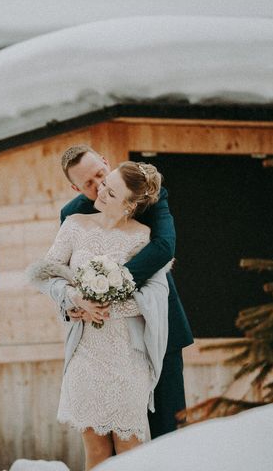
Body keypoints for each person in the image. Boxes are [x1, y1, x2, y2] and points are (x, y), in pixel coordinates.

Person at [28, 161, 171, 470]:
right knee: (95, 453)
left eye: (112, 191)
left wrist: (109, 300)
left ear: (130, 204)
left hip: (128, 359)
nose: (101, 191)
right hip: (86, 355)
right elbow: (44, 275)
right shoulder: (74, 224)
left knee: (130, 450)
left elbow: (158, 297)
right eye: (105, 184)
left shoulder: (144, 239)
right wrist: (73, 297)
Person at [60, 145, 193, 438]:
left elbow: (164, 247)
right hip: (105, 348)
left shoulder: (146, 193)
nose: (98, 187)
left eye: (100, 174)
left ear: (106, 161)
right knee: (116, 439)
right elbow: (64, 273)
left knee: (167, 431)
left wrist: (109, 287)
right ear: (75, 187)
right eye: (88, 184)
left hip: (160, 328)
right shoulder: (72, 217)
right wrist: (71, 304)